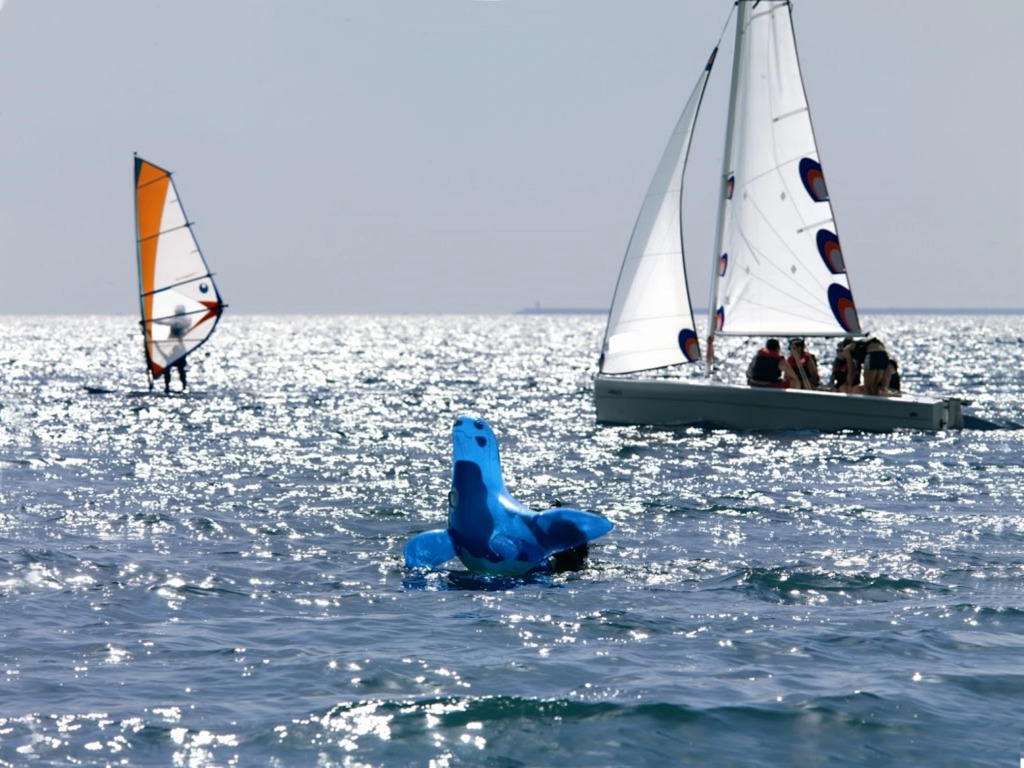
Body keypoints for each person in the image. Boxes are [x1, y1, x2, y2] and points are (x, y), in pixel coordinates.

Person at [155, 305, 191, 393]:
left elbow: (179, 324)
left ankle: (184, 387)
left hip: (180, 348)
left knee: (181, 369)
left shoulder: (185, 320)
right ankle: (167, 387)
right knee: (167, 368)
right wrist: (151, 321)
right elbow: (162, 322)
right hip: (171, 348)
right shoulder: (174, 320)